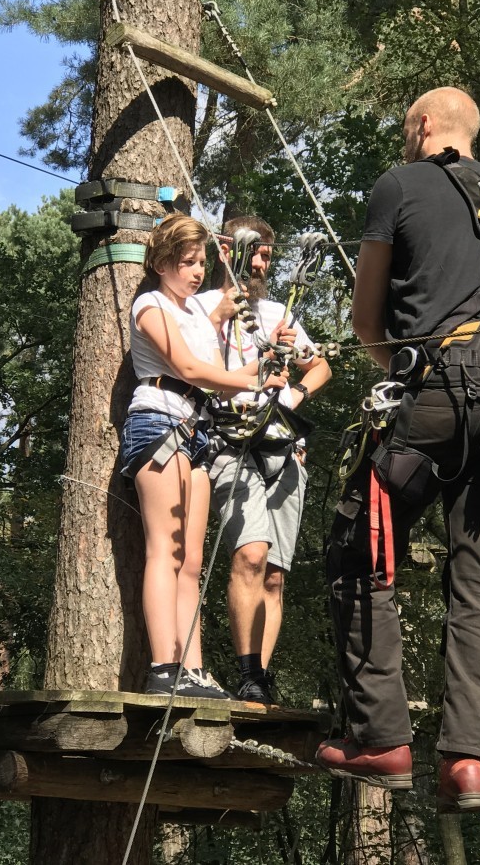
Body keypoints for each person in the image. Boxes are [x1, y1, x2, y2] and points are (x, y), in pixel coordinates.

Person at [315, 87, 480, 812]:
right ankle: (469, 761)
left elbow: (365, 321)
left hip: (434, 398)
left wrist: (409, 372)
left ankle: (380, 737)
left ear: (422, 126)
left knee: (359, 546)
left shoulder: (400, 184)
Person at [120, 213, 287, 699]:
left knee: (191, 561)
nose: (197, 272)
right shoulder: (150, 305)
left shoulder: (197, 314)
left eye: (200, 263)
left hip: (196, 429)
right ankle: (163, 667)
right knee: (165, 550)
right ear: (161, 264)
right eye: (187, 263)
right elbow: (190, 368)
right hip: (158, 420)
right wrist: (253, 376)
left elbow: (220, 376)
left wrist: (265, 365)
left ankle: (192, 671)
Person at [199, 217, 332, 703]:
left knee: (274, 574)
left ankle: (258, 679)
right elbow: (188, 367)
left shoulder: (278, 313)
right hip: (231, 442)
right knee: (250, 554)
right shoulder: (200, 307)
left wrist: (293, 396)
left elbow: (320, 366)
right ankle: (246, 668)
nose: (260, 264)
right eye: (253, 252)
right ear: (225, 250)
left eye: (267, 256)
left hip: (282, 446)